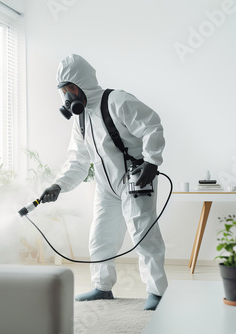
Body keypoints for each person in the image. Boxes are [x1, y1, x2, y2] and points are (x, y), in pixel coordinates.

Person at [40, 54, 167, 311]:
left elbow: (152, 125)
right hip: (106, 186)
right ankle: (102, 287)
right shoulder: (81, 118)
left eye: (69, 89)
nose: (67, 97)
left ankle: (157, 292)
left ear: (81, 84)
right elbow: (77, 160)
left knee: (143, 236)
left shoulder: (117, 101)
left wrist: (152, 163)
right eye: (63, 91)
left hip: (136, 178)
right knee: (100, 237)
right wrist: (59, 185)